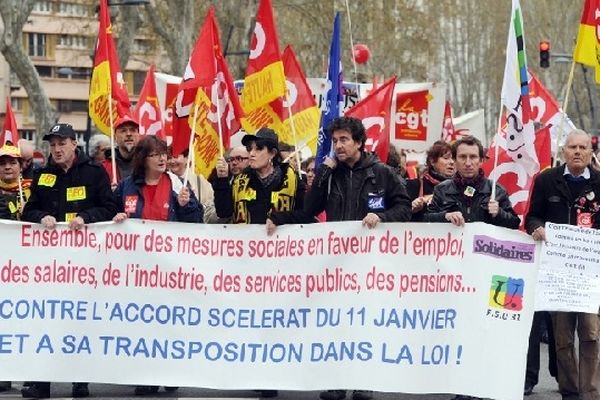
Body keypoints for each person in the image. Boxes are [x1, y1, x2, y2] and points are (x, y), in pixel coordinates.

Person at [268, 117, 412, 400]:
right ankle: (335, 381)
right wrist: (280, 216)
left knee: (363, 321)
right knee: (336, 321)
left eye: (344, 140)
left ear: (359, 142)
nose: (339, 145)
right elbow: (309, 209)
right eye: (335, 141)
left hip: (371, 262)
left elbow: (404, 207)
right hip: (337, 263)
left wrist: (382, 217)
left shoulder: (381, 173)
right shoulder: (330, 173)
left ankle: (363, 381)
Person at [21, 123, 117, 399]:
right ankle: (42, 382)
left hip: (84, 263)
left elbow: (110, 208)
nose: (57, 149)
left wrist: (86, 218)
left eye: (62, 143)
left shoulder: (94, 172)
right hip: (50, 265)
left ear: (74, 144)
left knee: (79, 319)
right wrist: (41, 217)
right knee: (48, 319)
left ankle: (79, 378)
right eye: (52, 145)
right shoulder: (43, 175)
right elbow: (29, 211)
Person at [525, 129, 600, 400]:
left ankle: (590, 393)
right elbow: (532, 216)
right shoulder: (547, 180)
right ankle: (569, 391)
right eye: (572, 147)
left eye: (583, 147)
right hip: (557, 271)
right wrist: (537, 228)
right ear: (564, 151)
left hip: (591, 273)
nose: (577, 152)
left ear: (591, 152)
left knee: (590, 335)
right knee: (563, 337)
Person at [212, 127, 304, 226]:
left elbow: (305, 213)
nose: (251, 154)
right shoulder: (240, 180)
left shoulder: (291, 178)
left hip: (281, 240)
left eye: (258, 149)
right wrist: (222, 179)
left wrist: (278, 219)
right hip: (248, 240)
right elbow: (223, 212)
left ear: (272, 153)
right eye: (249, 149)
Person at [424, 135, 520, 229]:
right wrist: (445, 216)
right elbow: (425, 221)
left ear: (481, 160)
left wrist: (499, 213)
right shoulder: (442, 189)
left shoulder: (496, 190)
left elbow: (515, 224)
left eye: (473, 157)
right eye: (462, 157)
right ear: (454, 160)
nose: (468, 163)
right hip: (454, 244)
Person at [114, 136, 202, 225]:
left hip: (168, 238)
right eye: (155, 155)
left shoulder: (177, 184)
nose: (162, 159)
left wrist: (185, 206)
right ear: (143, 159)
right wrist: (117, 217)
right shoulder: (126, 186)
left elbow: (196, 222)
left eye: (164, 154)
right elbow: (111, 215)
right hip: (137, 238)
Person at [406, 140, 454, 221]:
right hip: (423, 233)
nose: (452, 162)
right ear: (432, 161)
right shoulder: (415, 185)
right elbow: (400, 215)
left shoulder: (460, 186)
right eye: (446, 158)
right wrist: (411, 208)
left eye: (454, 158)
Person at [167, 148, 217, 223]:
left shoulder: (200, 179)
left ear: (187, 159)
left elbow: (210, 205)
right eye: (169, 158)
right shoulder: (165, 179)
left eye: (175, 157)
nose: (172, 161)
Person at [102, 114, 140, 187]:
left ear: (138, 135)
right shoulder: (104, 167)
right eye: (123, 131)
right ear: (115, 137)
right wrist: (109, 193)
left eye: (133, 130)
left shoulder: (148, 164)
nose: (128, 134)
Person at [0, 144, 32, 220]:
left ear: (21, 167)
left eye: (13, 163)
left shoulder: (32, 189)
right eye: (2, 163)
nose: (7, 167)